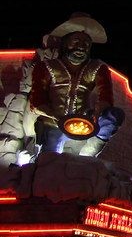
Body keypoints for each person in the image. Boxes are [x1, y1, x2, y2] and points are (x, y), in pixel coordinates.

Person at [27, 14, 125, 158]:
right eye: (76, 41)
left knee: (114, 115)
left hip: (83, 121)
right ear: (66, 43)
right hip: (54, 122)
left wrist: (97, 114)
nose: (81, 47)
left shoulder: (97, 68)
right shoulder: (46, 67)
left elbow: (106, 96)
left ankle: (88, 155)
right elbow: (36, 102)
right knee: (49, 161)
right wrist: (57, 117)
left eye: (86, 44)